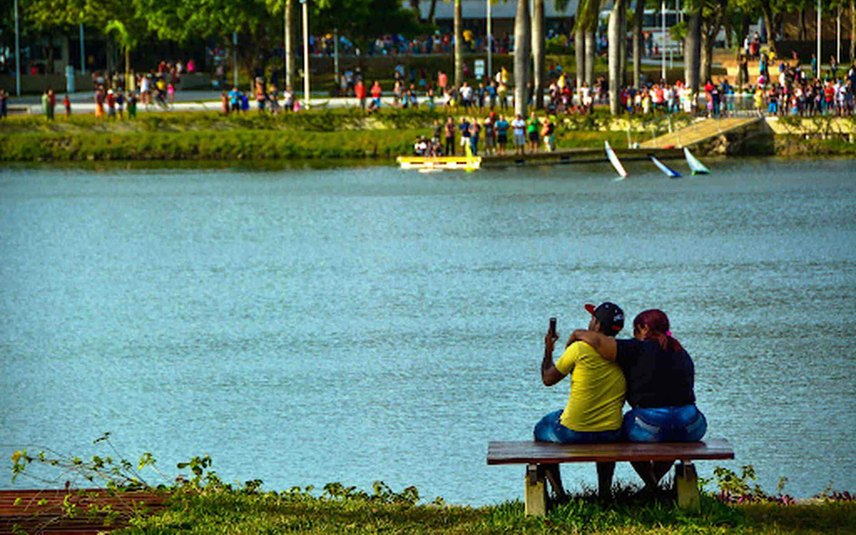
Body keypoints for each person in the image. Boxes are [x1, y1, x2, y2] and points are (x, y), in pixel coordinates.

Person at [568, 309, 707, 491]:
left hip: (653, 424)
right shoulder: (681, 351)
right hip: (691, 425)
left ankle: (651, 485)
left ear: (644, 328)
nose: (634, 335)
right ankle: (653, 483)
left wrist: (577, 333)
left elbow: (600, 342)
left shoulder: (637, 348)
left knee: (621, 431)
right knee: (674, 436)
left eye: (635, 330)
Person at [535, 303, 627, 501]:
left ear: (596, 324)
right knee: (605, 430)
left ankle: (559, 494)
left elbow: (547, 379)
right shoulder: (626, 353)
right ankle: (604, 493)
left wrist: (548, 350)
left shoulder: (579, 349)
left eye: (592, 318)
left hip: (574, 432)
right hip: (612, 432)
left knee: (542, 427)